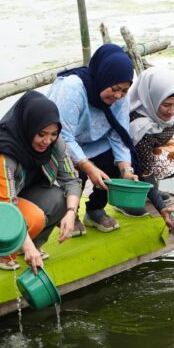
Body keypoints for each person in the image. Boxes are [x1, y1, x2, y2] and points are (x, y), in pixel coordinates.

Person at [0, 90, 81, 272]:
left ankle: (29, 246)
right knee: (34, 218)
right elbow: (7, 206)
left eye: (53, 134)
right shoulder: (2, 151)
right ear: (28, 126)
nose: (47, 140)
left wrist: (71, 213)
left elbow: (71, 179)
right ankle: (2, 251)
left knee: (62, 198)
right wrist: (27, 246)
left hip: (19, 192)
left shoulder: (55, 142)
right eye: (42, 134)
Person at [47, 43, 142, 235]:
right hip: (59, 143)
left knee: (119, 162)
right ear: (103, 77)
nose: (118, 95)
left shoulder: (121, 98)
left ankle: (95, 210)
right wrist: (88, 167)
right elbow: (62, 135)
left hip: (94, 142)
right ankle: (68, 215)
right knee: (75, 174)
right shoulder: (72, 88)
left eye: (124, 91)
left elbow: (119, 133)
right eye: (115, 88)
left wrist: (126, 171)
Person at [121, 66, 174, 217]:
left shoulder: (159, 114)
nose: (172, 111)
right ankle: (126, 199)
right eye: (166, 105)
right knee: (138, 165)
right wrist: (161, 205)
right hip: (126, 162)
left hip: (146, 155)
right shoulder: (140, 126)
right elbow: (145, 169)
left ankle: (150, 191)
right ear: (151, 99)